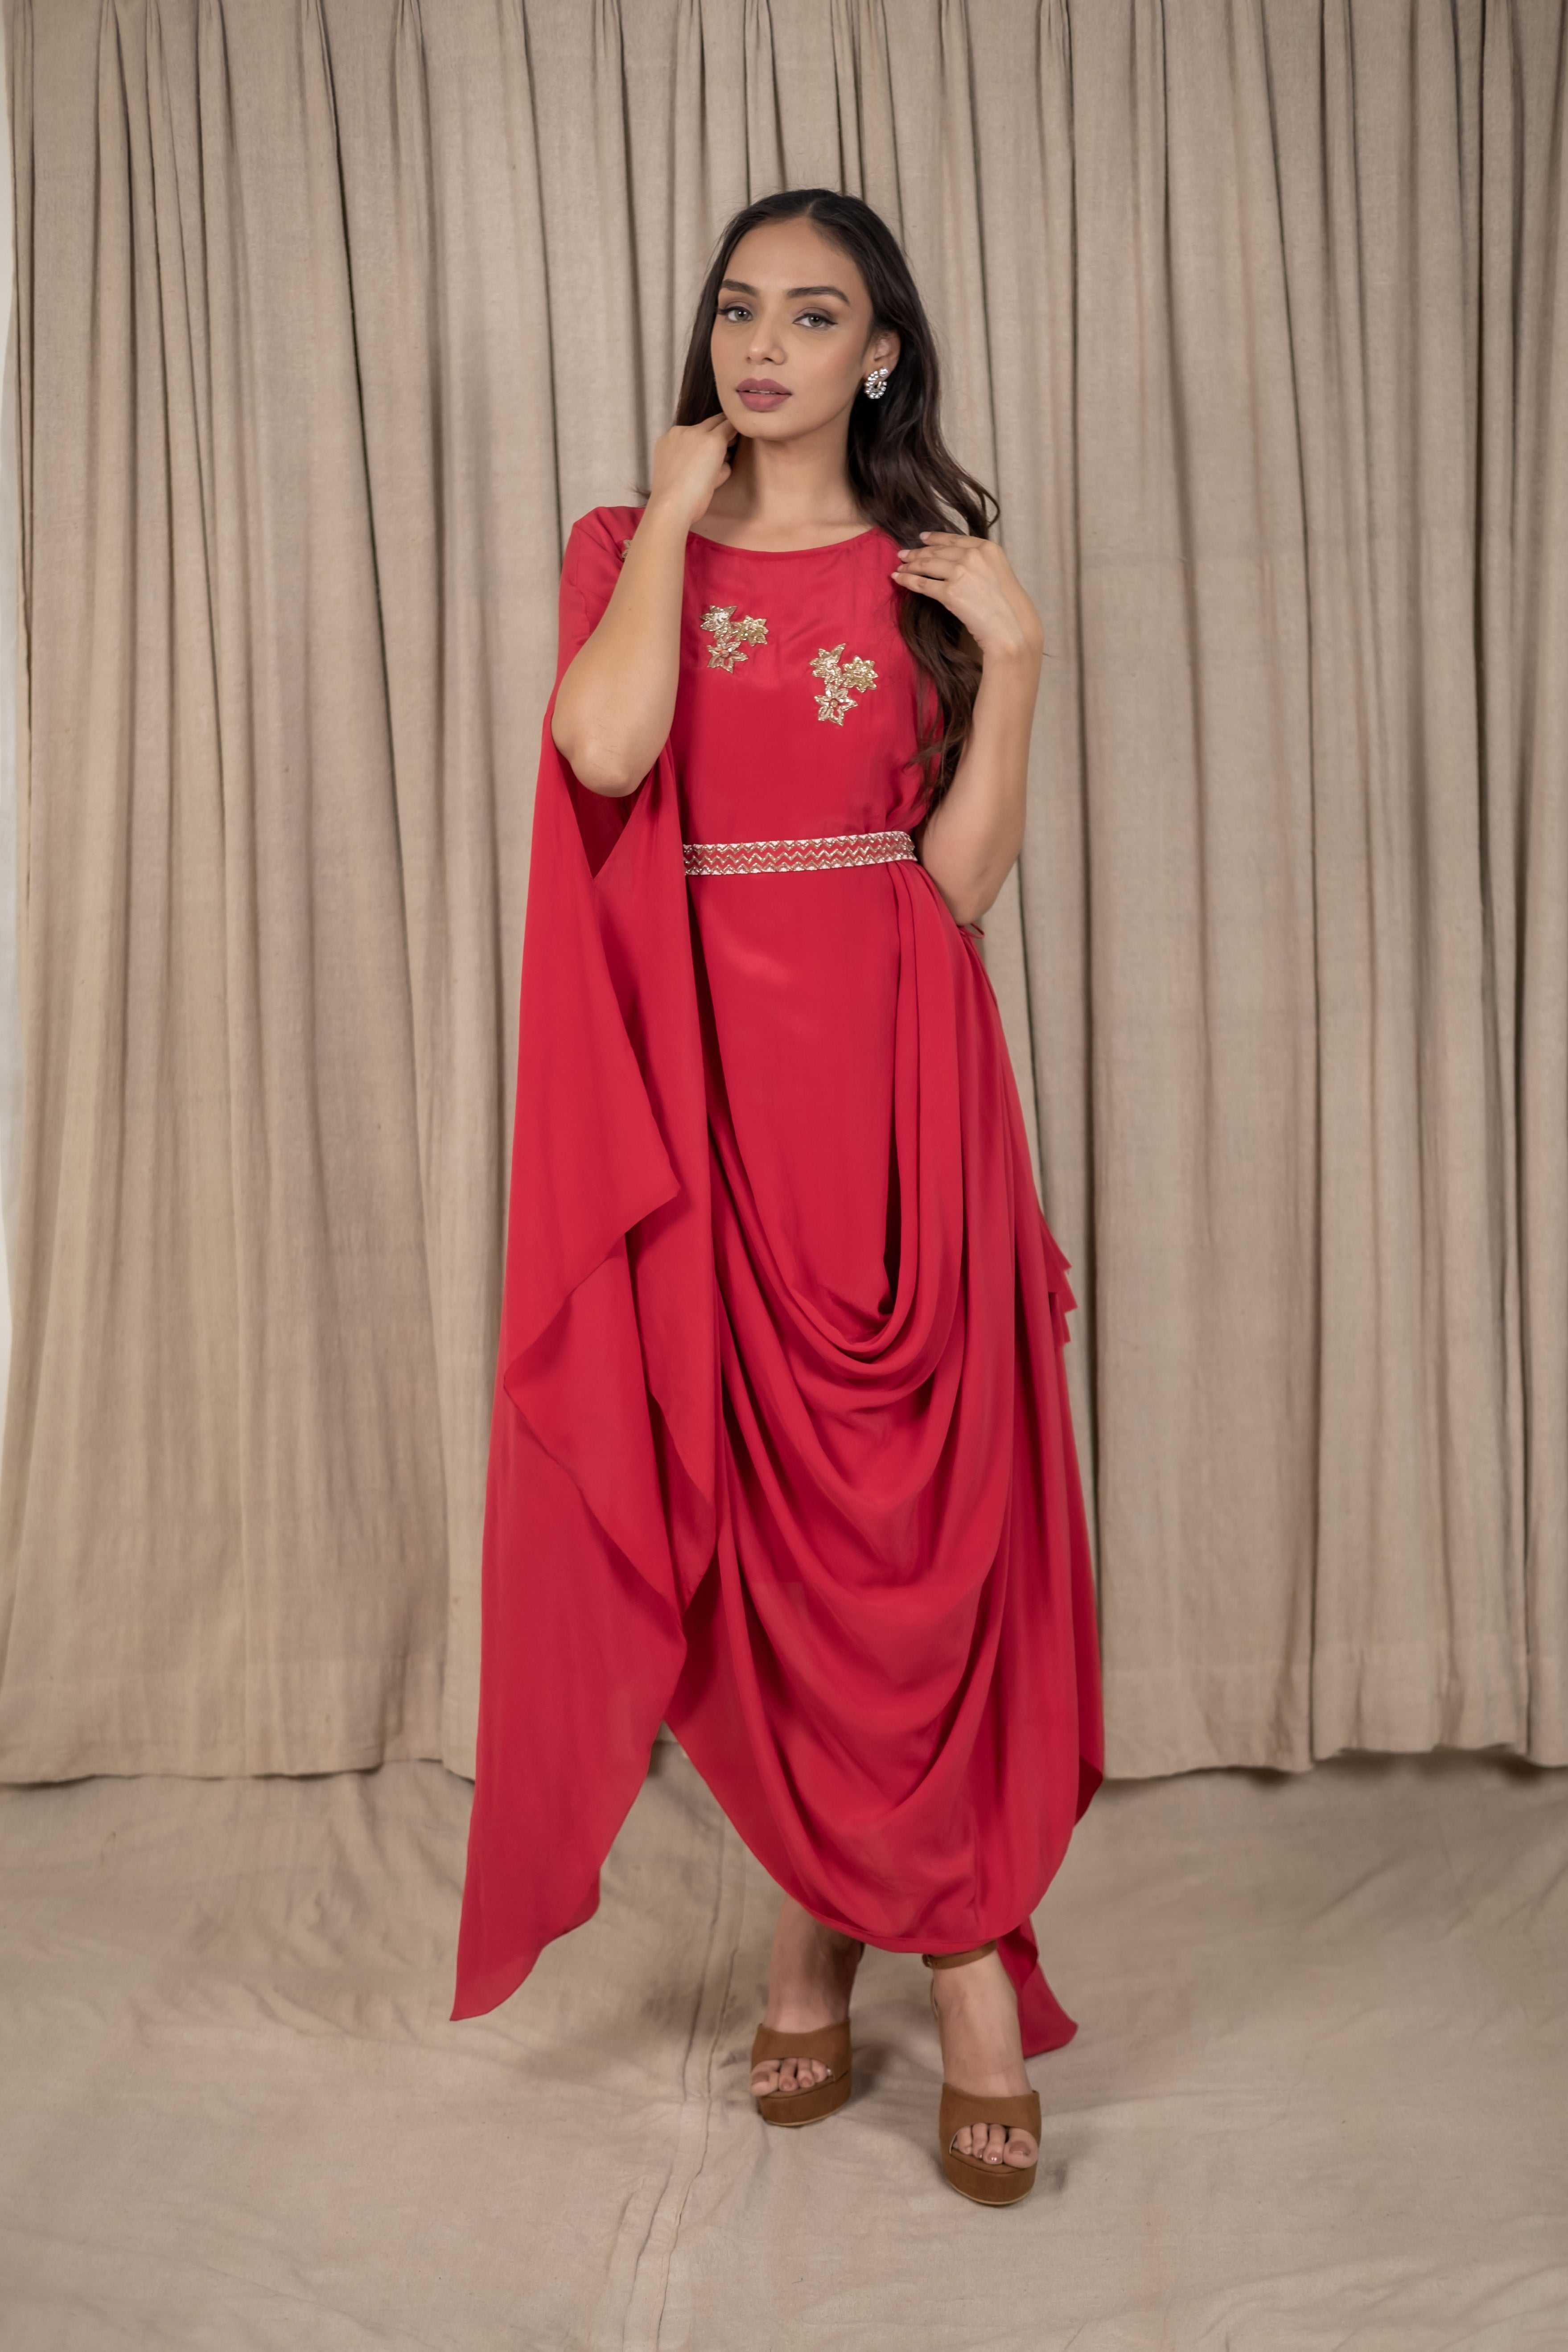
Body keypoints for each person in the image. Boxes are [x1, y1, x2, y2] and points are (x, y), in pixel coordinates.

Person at [450, 187, 1103, 2209]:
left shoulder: (931, 574)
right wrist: (672, 511)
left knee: (927, 1527)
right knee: (774, 1547)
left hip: (902, 1094)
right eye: (740, 309)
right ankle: (831, 1919)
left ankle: (957, 1957)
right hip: (708, 1102)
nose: (763, 346)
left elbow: (959, 880)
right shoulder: (624, 545)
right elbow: (605, 747)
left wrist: (1017, 665)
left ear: (879, 354)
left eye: (814, 317)